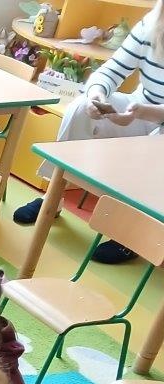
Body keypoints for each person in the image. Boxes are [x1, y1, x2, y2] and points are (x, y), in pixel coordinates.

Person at [13, 0, 164, 264]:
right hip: (140, 108)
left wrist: (142, 113)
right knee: (80, 107)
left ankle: (134, 230)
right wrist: (96, 95)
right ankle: (53, 195)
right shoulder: (151, 25)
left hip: (151, 117)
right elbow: (111, 71)